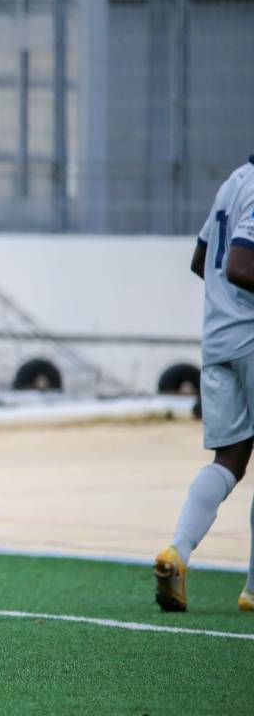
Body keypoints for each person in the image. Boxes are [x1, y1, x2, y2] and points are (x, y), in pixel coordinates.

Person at [155, 155, 254, 613]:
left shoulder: (233, 182)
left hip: (218, 341)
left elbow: (201, 260)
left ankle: (178, 550)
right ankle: (252, 589)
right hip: (251, 338)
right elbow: (239, 266)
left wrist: (224, 305)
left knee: (228, 462)